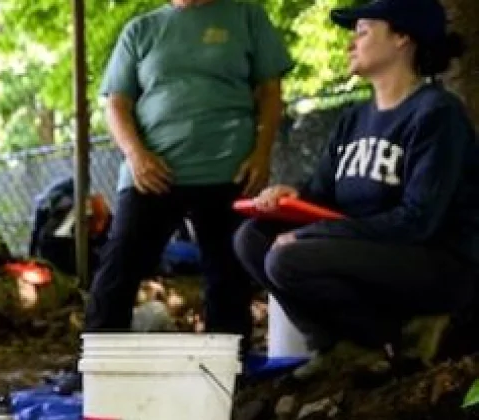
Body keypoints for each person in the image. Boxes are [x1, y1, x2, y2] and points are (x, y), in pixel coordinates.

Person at [234, 0, 477, 380]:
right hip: (366, 254)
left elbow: (418, 221)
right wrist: (289, 197)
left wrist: (309, 235)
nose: (351, 43)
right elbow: (321, 193)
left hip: (436, 261)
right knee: (252, 239)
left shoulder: (437, 113)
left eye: (362, 31)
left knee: (288, 258)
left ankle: (389, 338)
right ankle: (339, 347)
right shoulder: (353, 119)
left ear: (401, 37)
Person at [87, 0, 295, 345]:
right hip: (152, 171)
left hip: (229, 170)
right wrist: (136, 154)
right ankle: (96, 366)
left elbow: (271, 93)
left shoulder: (246, 16)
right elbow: (116, 103)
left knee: (228, 273)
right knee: (118, 268)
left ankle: (230, 368)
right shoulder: (140, 29)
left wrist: (261, 153)